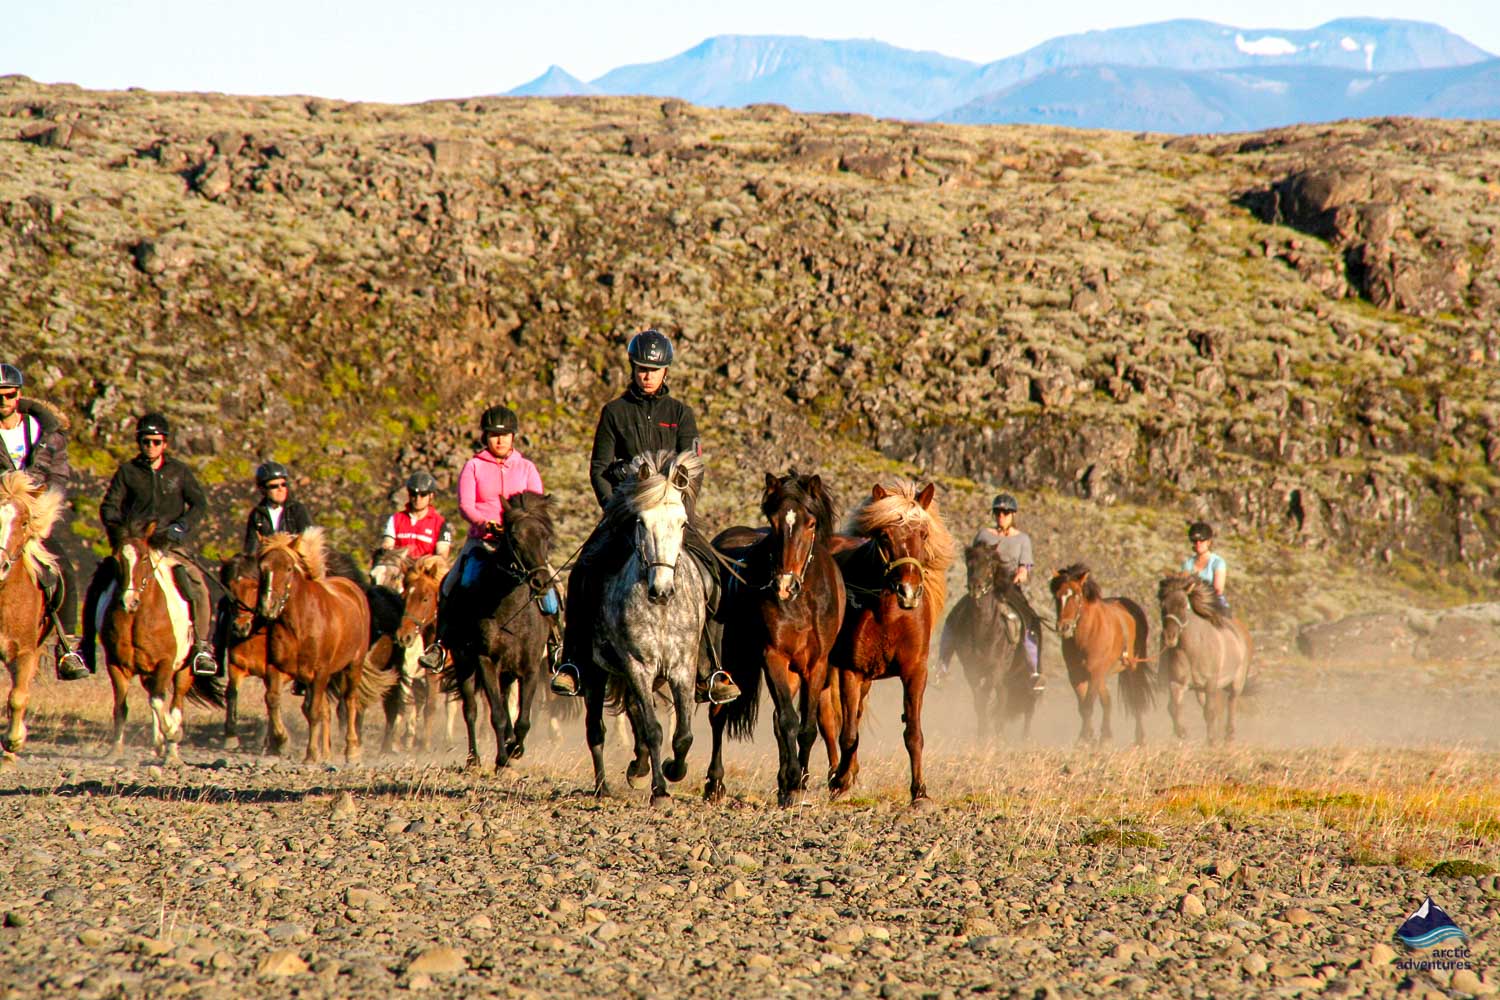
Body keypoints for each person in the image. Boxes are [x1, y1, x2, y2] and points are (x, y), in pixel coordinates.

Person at [551, 330, 740, 704]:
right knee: (584, 572)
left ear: (666, 371)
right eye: (642, 369)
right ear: (633, 369)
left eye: (654, 369)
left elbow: (694, 469)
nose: (648, 375)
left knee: (714, 577)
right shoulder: (614, 413)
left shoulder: (681, 414)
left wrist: (680, 508)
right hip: (627, 516)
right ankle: (574, 664)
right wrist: (614, 511)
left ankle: (712, 667)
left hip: (672, 515)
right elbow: (599, 468)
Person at [79, 413, 217, 677]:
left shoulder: (179, 472)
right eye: (145, 441)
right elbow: (109, 506)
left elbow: (199, 504)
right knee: (98, 584)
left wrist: (180, 527)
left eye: (155, 441)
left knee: (197, 585)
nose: (150, 446)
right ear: (139, 443)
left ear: (165, 443)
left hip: (168, 545)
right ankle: (85, 649)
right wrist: (122, 535)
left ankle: (201, 648)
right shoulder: (127, 472)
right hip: (134, 545)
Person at [419, 406, 556, 669]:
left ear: (514, 436)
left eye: (505, 435)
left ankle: (558, 646)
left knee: (552, 588)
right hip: (483, 541)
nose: (500, 440)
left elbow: (537, 506)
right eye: (494, 435)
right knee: (453, 583)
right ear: (486, 437)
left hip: (521, 545)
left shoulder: (527, 468)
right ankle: (440, 644)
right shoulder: (473, 467)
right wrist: (486, 523)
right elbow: (465, 505)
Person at [0, 362, 88, 679]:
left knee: (61, 567)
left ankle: (68, 647)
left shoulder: (44, 433)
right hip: (0, 509)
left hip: (35, 511)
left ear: (18, 394)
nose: (3, 401)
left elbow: (59, 475)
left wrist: (46, 512)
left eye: (8, 394)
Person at [973, 493, 1044, 692]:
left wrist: (1020, 575)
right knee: (955, 617)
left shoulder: (1022, 539)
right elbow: (974, 558)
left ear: (1013, 514)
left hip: (1009, 588)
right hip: (983, 587)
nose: (1001, 516)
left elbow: (1026, 567)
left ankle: (1033, 670)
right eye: (997, 512)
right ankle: (942, 667)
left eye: (1005, 512)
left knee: (1029, 621)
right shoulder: (983, 535)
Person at [380, 470, 452, 560]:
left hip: (424, 571)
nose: (418, 499)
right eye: (414, 494)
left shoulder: (440, 524)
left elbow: (442, 554)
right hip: (399, 570)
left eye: (423, 494)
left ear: (431, 496)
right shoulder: (395, 519)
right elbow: (388, 545)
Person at [243, 461, 313, 552]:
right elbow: (250, 550)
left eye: (283, 485)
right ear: (263, 489)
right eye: (274, 486)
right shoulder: (257, 515)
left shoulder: (297, 509)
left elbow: (310, 542)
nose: (280, 489)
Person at [1182, 521, 1230, 613]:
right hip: (1191, 603)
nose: (1198, 543)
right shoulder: (1187, 564)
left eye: (1202, 540)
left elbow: (1218, 590)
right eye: (1195, 541)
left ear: (1208, 542)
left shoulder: (1218, 562)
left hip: (1212, 603)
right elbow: (1184, 586)